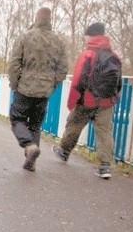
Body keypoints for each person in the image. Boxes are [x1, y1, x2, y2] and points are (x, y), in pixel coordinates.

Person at [52, 22, 122, 179]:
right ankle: (105, 167)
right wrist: (113, 98)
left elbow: (77, 81)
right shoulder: (114, 56)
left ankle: (64, 152)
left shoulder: (87, 54)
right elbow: (119, 82)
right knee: (104, 131)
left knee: (74, 123)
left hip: (87, 100)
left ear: (91, 36)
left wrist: (72, 102)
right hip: (106, 102)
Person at [8, 7, 68, 171]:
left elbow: (14, 63)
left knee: (17, 119)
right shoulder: (58, 41)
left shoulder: (25, 37)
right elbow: (63, 68)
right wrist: (52, 83)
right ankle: (31, 162)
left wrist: (15, 85)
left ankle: (29, 146)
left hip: (25, 88)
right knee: (35, 125)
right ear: (50, 20)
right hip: (44, 91)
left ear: (36, 18)